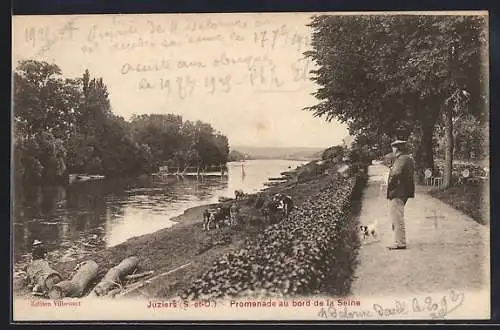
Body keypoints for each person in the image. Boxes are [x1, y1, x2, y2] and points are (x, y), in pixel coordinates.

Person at [386, 140, 415, 250]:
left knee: (397, 217)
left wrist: (391, 185)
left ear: (396, 148)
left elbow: (395, 173)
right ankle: (398, 240)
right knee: (397, 216)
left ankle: (400, 243)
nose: (392, 150)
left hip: (398, 191)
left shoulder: (401, 159)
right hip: (403, 191)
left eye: (393, 148)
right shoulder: (407, 158)